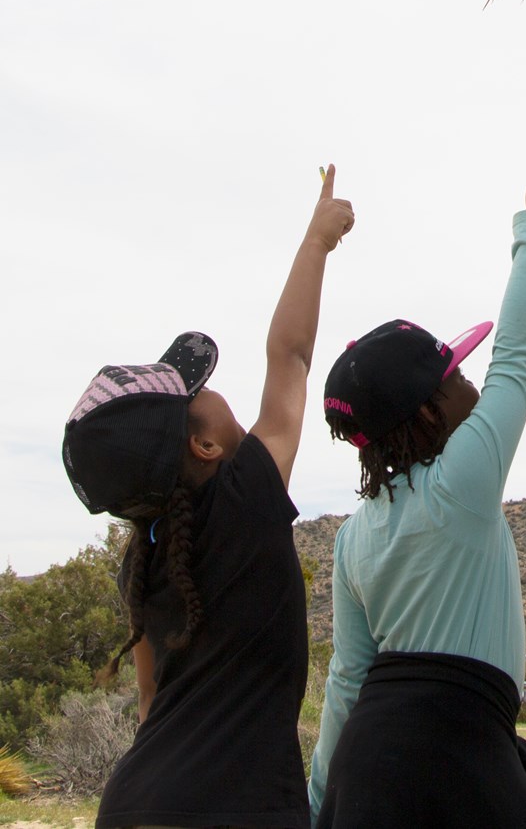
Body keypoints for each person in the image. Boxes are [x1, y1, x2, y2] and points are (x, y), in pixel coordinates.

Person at [63, 167, 355, 829]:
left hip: (135, 803)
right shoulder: (246, 499)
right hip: (244, 808)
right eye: (199, 393)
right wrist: (316, 243)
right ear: (205, 447)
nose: (213, 391)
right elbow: (291, 357)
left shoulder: (138, 565)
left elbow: (147, 703)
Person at [309, 132, 526, 829]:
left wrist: (318, 804)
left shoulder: (353, 537)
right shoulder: (462, 483)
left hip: (368, 771)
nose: (470, 384)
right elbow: (518, 356)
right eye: (456, 376)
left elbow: (346, 681)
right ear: (431, 412)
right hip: (452, 759)